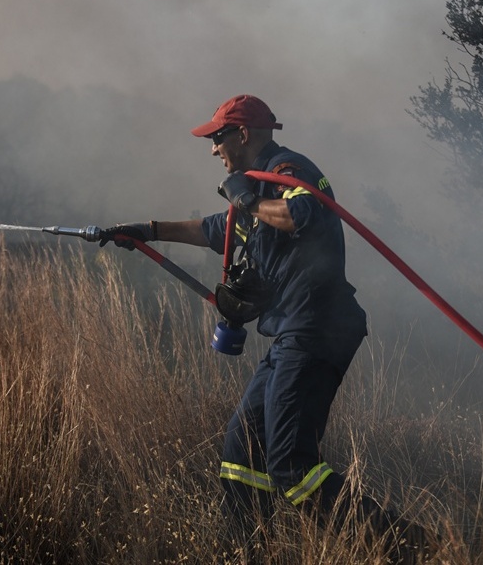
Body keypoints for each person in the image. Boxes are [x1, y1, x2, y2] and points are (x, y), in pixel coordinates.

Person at [99, 95, 428, 556]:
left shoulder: (290, 170)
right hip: (289, 332)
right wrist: (145, 229)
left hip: (318, 328)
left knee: (291, 467)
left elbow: (299, 214)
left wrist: (248, 199)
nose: (214, 149)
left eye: (218, 138)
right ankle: (253, 553)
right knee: (241, 455)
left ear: (244, 134)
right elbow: (213, 228)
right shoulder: (251, 188)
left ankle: (411, 547)